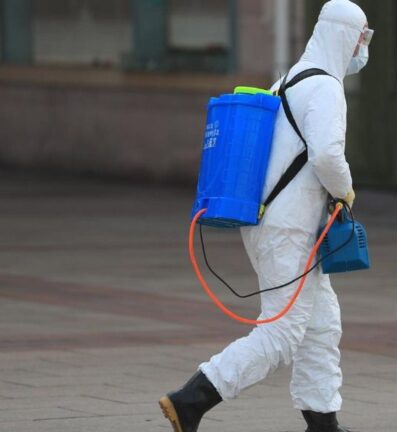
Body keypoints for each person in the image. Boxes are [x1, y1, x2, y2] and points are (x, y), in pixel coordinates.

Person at [158, 1, 372, 430]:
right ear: (345, 36)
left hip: (275, 224)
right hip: (289, 230)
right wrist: (345, 189)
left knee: (321, 325)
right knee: (282, 333)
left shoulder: (287, 79)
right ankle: (191, 400)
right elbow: (328, 155)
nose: (362, 50)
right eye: (361, 39)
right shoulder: (326, 88)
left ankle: (323, 422)